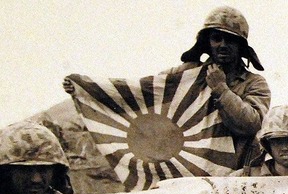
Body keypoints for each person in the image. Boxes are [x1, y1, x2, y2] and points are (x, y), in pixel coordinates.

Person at [63, 6, 271, 171]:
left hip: (234, 174)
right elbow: (142, 92)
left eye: (231, 40)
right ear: (207, 42)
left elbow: (251, 123)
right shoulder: (185, 75)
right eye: (217, 38)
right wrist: (88, 89)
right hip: (188, 172)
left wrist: (221, 90)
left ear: (241, 46)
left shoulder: (255, 84)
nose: (223, 45)